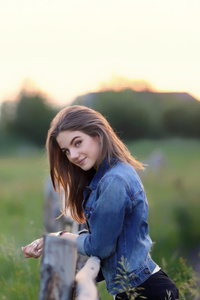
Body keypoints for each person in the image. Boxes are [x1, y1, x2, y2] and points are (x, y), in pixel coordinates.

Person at [22, 105, 179, 299]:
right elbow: (107, 234)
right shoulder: (109, 174)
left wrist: (62, 237)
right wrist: (52, 239)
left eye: (77, 143)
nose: (72, 155)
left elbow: (100, 247)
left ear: (97, 134)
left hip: (146, 291)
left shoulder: (114, 181)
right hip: (138, 286)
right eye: (66, 151)